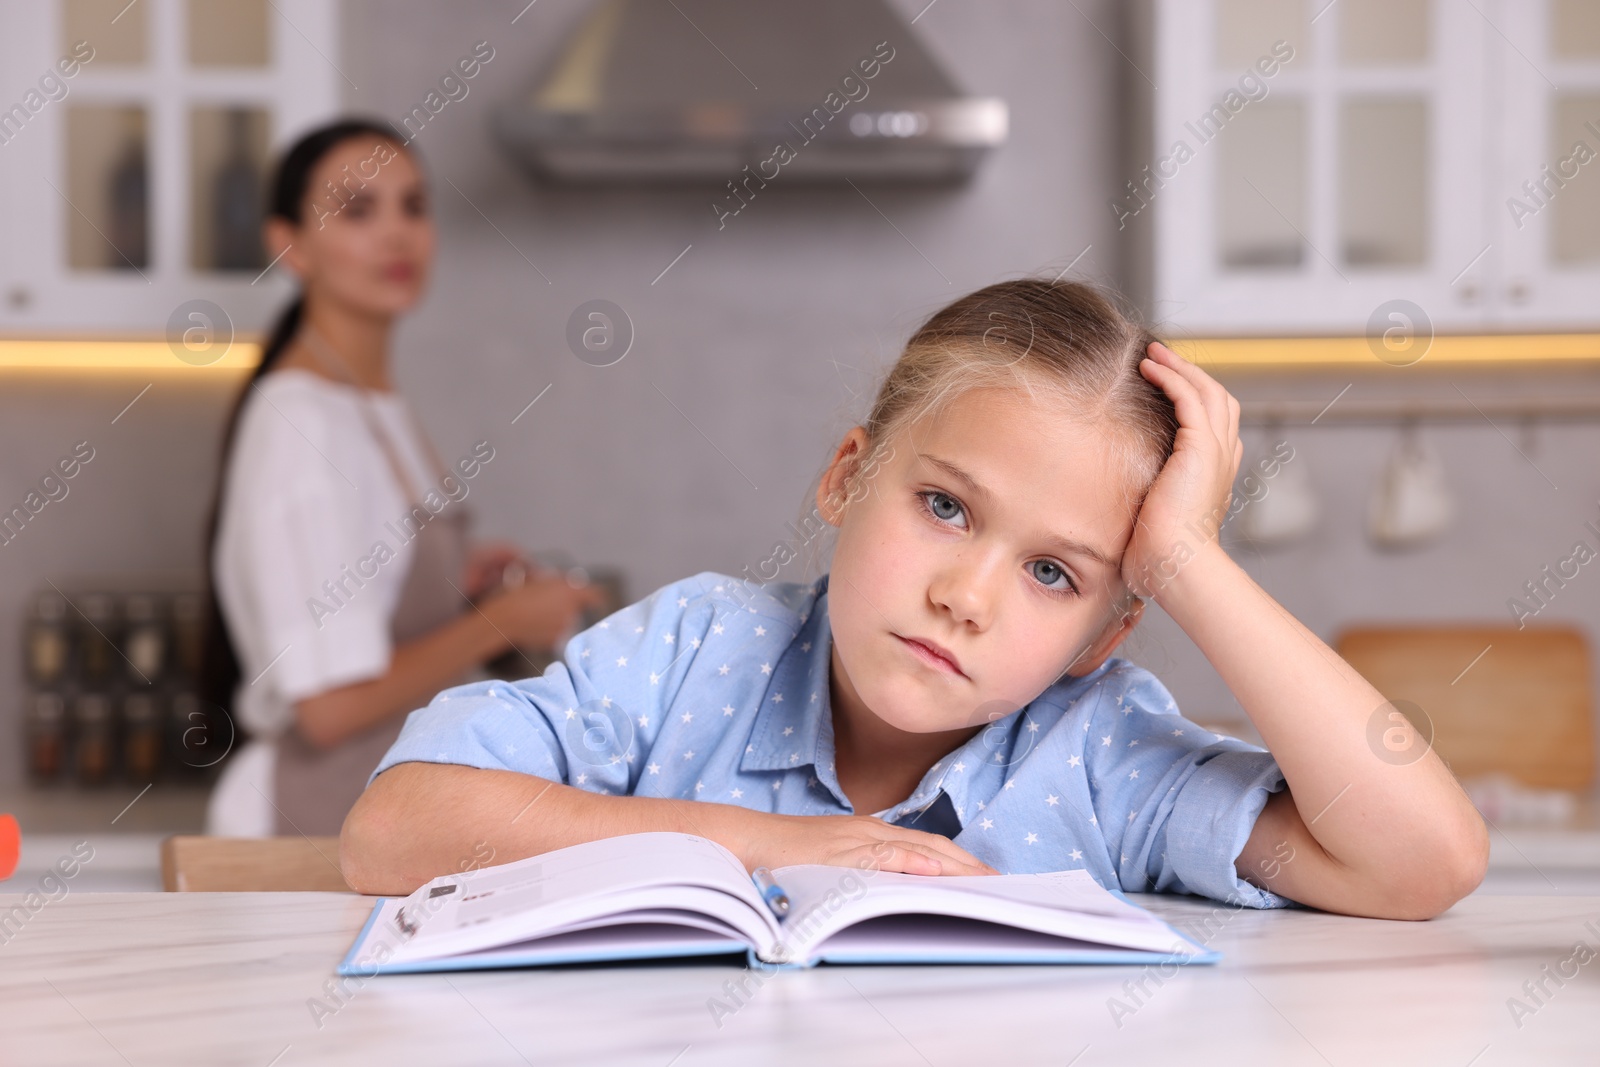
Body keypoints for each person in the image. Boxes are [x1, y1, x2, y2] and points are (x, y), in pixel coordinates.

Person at [339, 279, 1489, 919]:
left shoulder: (1096, 751)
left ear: (1107, 630)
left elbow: (1422, 863)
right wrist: (780, 844)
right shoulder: (694, 648)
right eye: (945, 506)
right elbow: (392, 827)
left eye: (1055, 573)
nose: (964, 595)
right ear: (847, 475)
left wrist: (1187, 558)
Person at [201, 119, 601, 837]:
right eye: (358, 210)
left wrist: (460, 586)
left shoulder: (370, 399)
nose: (397, 235)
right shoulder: (301, 422)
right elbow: (328, 710)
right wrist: (497, 624)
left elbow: (366, 598)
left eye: (413, 206)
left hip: (386, 802)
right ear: (288, 245)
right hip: (315, 816)